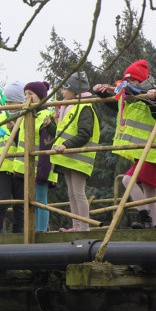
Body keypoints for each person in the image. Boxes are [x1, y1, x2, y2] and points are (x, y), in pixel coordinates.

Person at [94, 59, 156, 229]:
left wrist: (121, 89)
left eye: (133, 80)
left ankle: (144, 216)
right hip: (144, 152)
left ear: (142, 80)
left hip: (153, 151)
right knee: (150, 190)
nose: (129, 84)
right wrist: (103, 93)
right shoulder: (131, 98)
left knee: (128, 180)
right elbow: (116, 106)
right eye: (127, 80)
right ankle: (154, 226)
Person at [51, 71, 100, 232]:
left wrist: (66, 145)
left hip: (79, 157)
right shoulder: (70, 107)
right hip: (68, 157)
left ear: (74, 90)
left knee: (78, 193)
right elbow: (63, 133)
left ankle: (84, 227)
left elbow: (85, 133)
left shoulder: (84, 107)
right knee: (72, 193)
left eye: (65, 88)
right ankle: (76, 225)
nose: (62, 92)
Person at [13, 81, 57, 233]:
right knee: (30, 199)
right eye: (25, 94)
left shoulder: (45, 117)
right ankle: (32, 229)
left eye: (31, 94)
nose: (27, 97)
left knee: (40, 199)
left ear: (40, 97)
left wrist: (43, 172)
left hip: (40, 167)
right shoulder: (26, 115)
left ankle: (41, 230)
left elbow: (46, 145)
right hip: (27, 166)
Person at [0, 81, 26, 234]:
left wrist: (14, 130)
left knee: (20, 202)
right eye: (7, 102)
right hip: (2, 166)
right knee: (2, 200)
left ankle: (18, 233)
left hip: (19, 167)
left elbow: (24, 142)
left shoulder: (25, 118)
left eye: (12, 102)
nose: (9, 105)